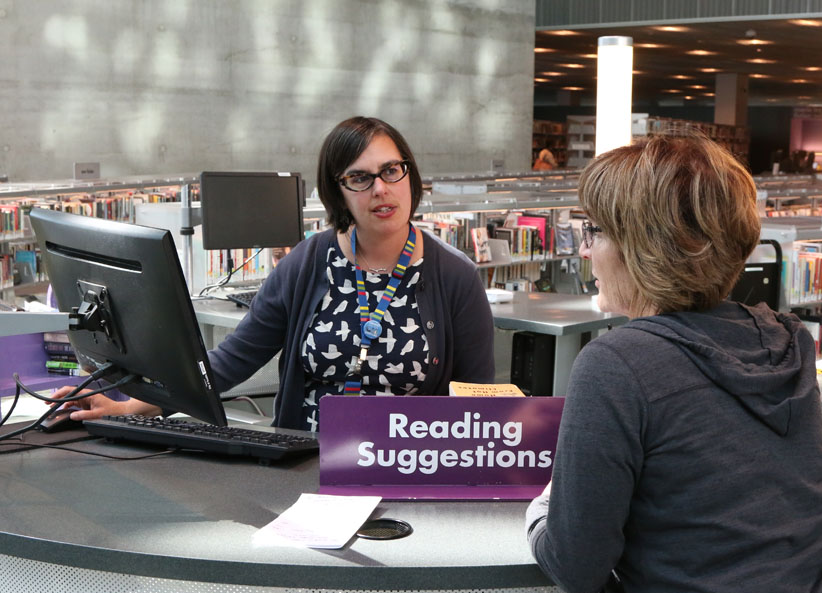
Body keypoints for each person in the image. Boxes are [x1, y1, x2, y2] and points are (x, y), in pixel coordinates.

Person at [525, 133, 822, 593]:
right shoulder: (788, 341)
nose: (585, 250)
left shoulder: (618, 364)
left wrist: (543, 508)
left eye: (597, 232)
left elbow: (576, 565)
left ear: (647, 244)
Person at [53, 117, 495, 431]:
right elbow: (230, 362)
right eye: (359, 178)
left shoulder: (455, 277)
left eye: (391, 171)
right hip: (310, 462)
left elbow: (479, 399)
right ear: (338, 193)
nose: (381, 188)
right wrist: (133, 407)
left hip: (411, 465)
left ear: (409, 175)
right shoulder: (305, 264)